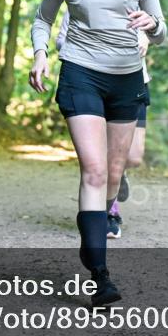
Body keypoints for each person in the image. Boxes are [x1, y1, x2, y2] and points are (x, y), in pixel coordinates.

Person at [30, 0, 166, 307]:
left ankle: (94, 229)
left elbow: (162, 31)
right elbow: (43, 18)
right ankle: (101, 275)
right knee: (93, 169)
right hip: (81, 72)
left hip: (127, 77)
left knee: (113, 173)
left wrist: (151, 24)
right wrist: (40, 55)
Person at [55, 13, 152, 239]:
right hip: (92, 83)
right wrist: (92, 46)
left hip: (133, 81)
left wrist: (145, 39)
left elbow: (154, 29)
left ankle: (118, 174)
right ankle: (109, 213)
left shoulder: (136, 1)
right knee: (104, 162)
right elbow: (61, 41)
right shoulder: (81, 0)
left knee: (133, 157)